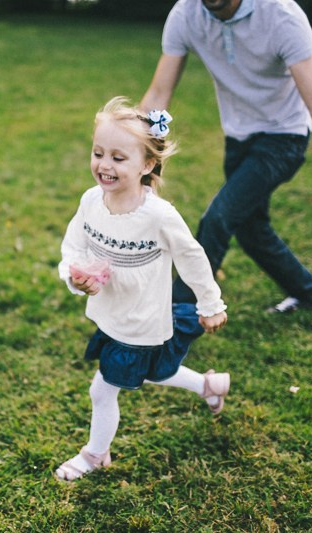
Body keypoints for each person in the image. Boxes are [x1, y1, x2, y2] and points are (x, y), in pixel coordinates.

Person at [140, 0, 312, 313]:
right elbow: (158, 96)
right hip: (238, 136)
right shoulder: (186, 14)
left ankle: (177, 316)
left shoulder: (281, 15)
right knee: (250, 230)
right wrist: (133, 161)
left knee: (218, 219)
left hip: (285, 136)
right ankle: (308, 295)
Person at [55, 97, 230, 481]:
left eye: (118, 158)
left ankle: (94, 454)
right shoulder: (91, 201)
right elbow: (74, 245)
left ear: (147, 165)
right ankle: (208, 386)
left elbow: (192, 257)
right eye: (98, 153)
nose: (104, 164)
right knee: (152, 371)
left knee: (103, 391)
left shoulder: (158, 216)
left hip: (140, 320)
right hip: (112, 314)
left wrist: (210, 303)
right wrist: (74, 275)